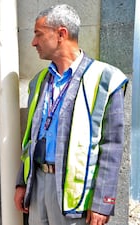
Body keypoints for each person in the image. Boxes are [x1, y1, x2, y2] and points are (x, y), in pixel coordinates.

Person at [14, 4, 128, 225]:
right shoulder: (39, 81)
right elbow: (31, 139)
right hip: (38, 184)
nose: (33, 42)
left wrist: (102, 203)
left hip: (75, 196)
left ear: (61, 34)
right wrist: (22, 183)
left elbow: (112, 147)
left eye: (38, 34)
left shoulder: (106, 79)